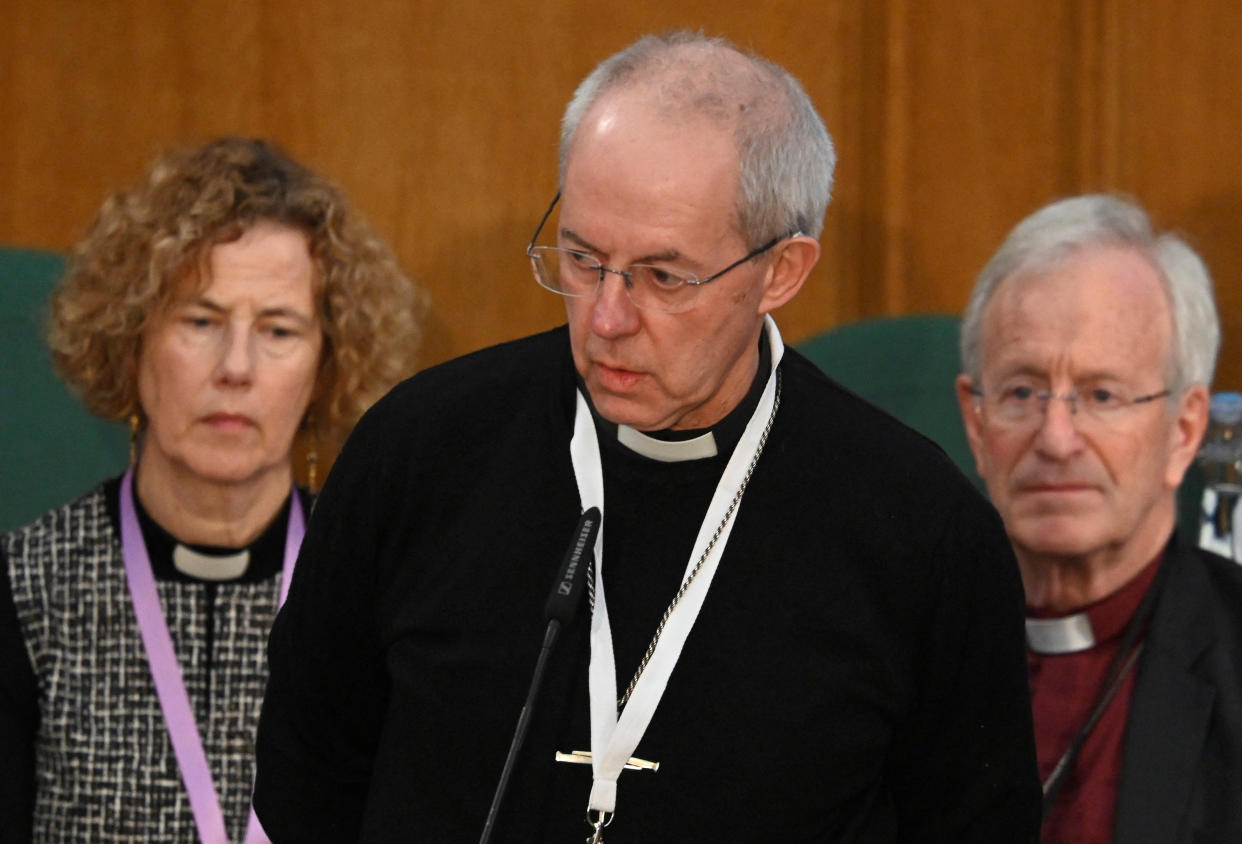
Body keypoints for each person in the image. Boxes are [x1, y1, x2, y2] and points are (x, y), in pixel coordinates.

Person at [255, 32, 1040, 841]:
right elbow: (303, 776)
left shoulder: (923, 534)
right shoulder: (419, 452)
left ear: (783, 271)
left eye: (664, 278)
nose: (607, 319)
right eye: (584, 259)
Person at [0, 137, 422, 842]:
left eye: (278, 329)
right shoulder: (24, 589)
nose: (237, 367)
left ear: (327, 364)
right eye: (201, 320)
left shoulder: (383, 596)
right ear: (130, 339)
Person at [955, 193, 1242, 843]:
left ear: (1185, 431)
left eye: (1102, 395)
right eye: (1023, 391)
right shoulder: (887, 642)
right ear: (976, 423)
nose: (1057, 438)